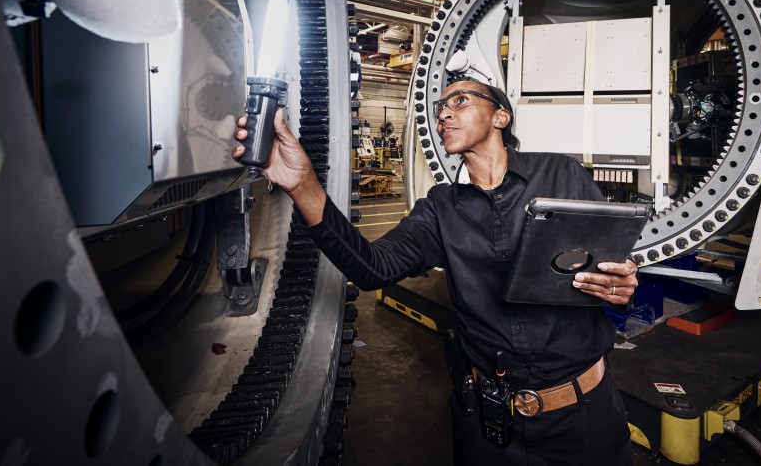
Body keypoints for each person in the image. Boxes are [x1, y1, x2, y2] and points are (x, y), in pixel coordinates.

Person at [233, 78, 638, 465]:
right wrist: (303, 183)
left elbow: (609, 262)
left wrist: (623, 282)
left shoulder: (561, 174)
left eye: (459, 101)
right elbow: (374, 267)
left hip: (584, 417)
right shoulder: (440, 208)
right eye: (440, 108)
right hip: (488, 422)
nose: (444, 114)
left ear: (500, 117)